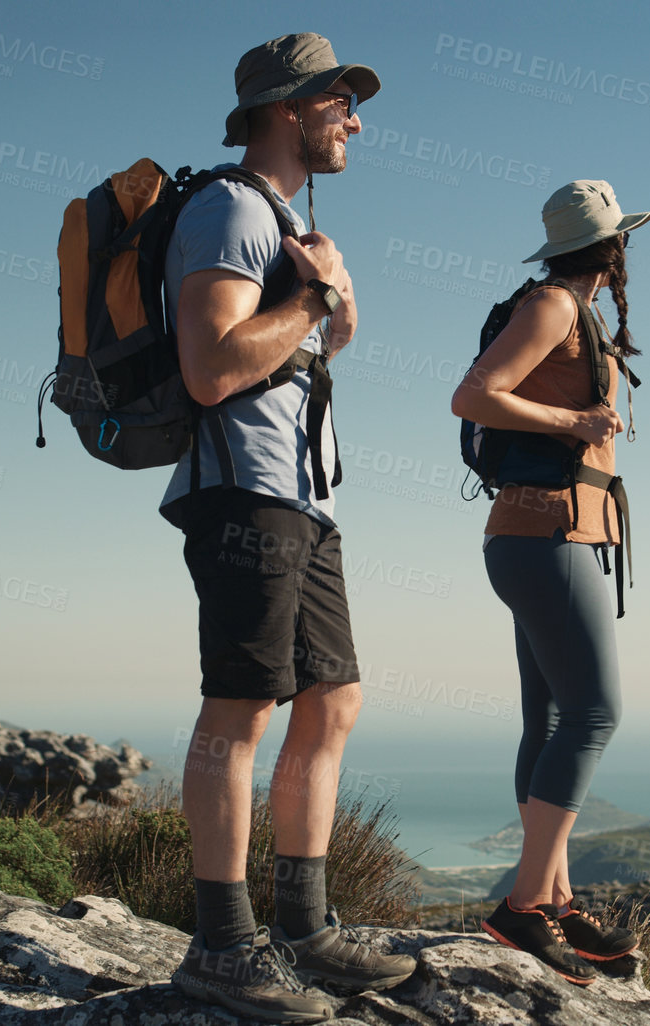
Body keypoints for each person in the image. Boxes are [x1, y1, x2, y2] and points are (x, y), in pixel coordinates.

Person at [163, 32, 415, 1024]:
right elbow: (211, 368)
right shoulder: (226, 208)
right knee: (241, 709)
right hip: (246, 493)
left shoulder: (282, 215)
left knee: (333, 700)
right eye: (339, 102)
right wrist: (311, 295)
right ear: (285, 107)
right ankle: (221, 949)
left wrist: (331, 295)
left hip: (307, 495)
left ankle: (305, 928)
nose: (353, 119)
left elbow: (324, 344)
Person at [448, 180, 650, 985]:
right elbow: (472, 395)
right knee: (595, 711)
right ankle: (523, 907)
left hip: (534, 537)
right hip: (546, 536)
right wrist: (574, 423)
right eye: (624, 241)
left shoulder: (575, 310)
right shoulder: (554, 306)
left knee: (549, 716)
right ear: (611, 248)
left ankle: (555, 896)